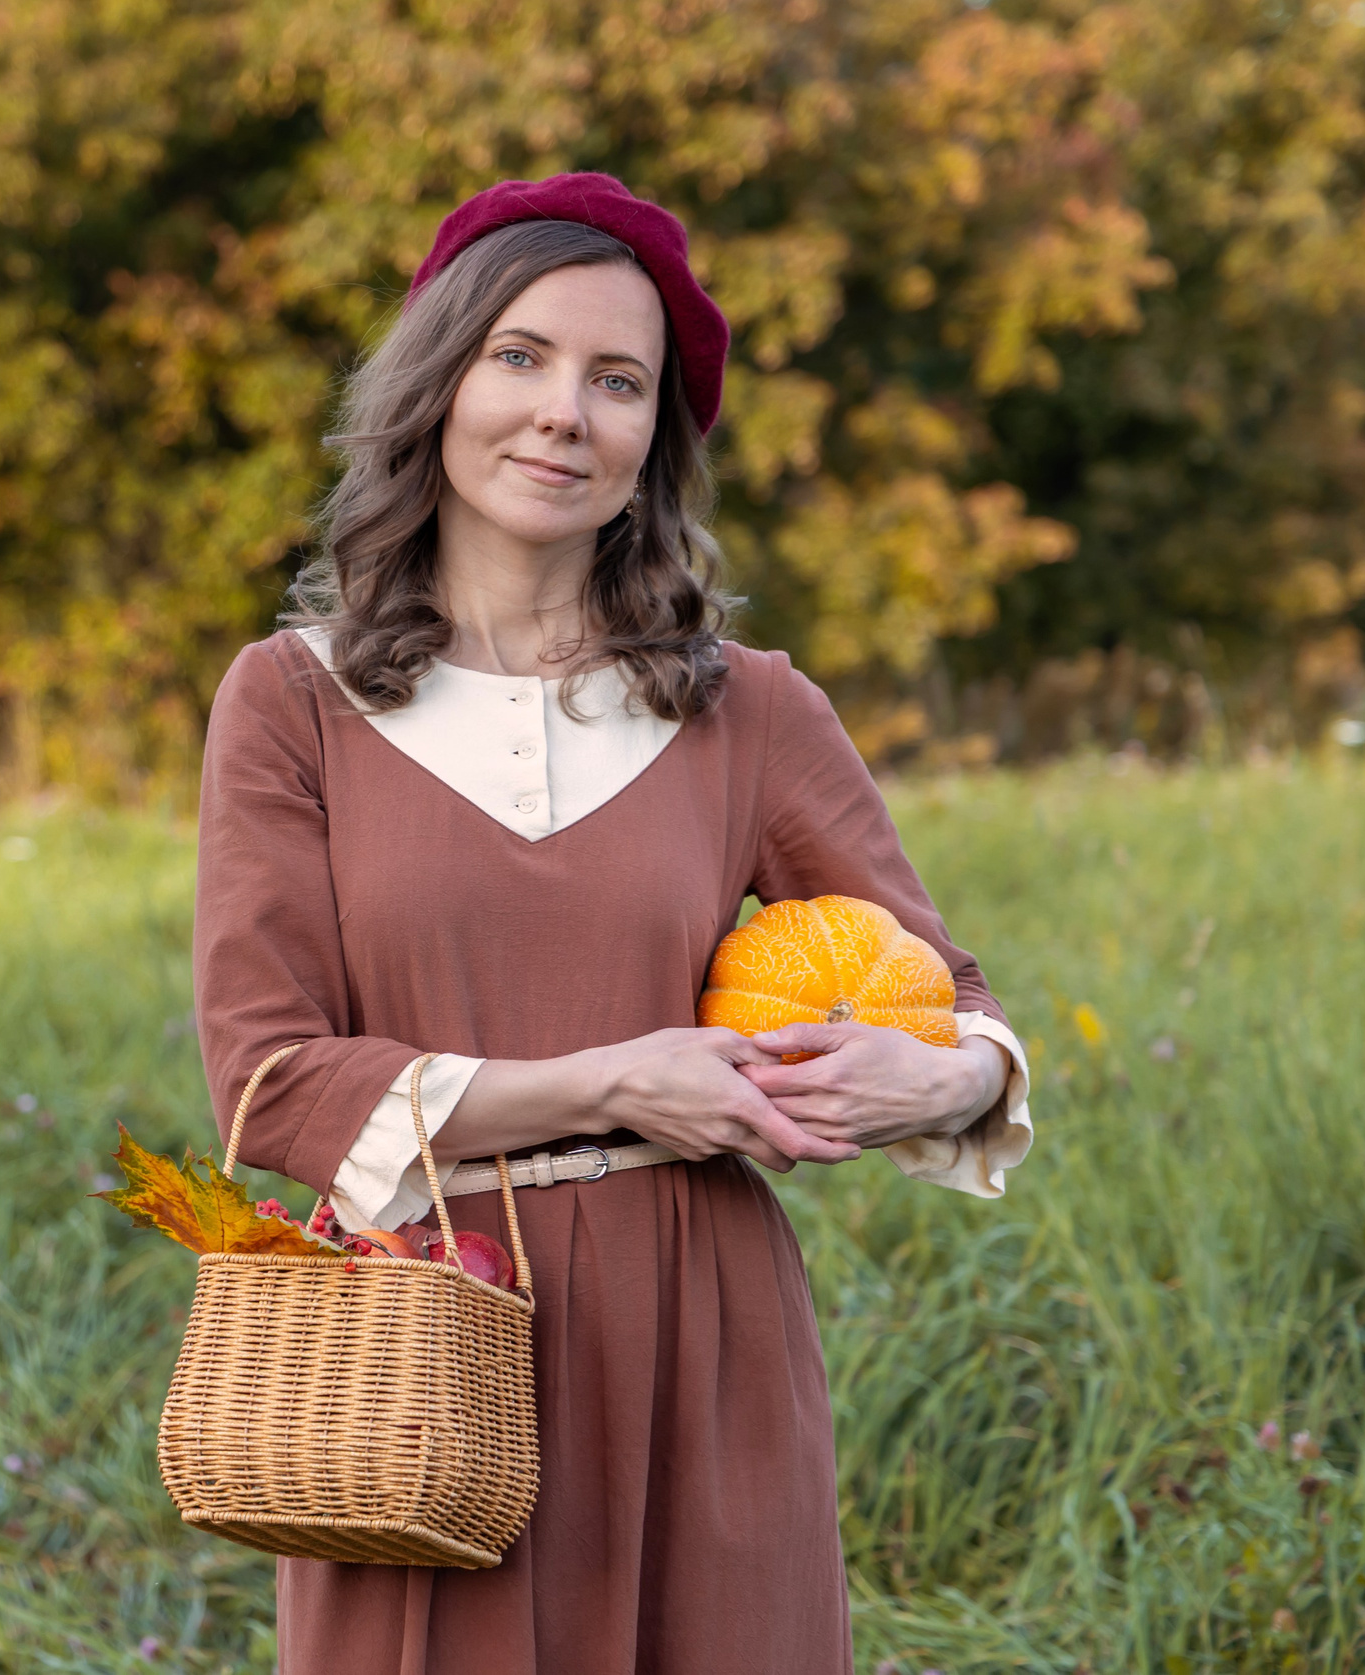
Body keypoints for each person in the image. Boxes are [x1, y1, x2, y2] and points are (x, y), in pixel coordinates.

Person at [190, 173, 1035, 1674]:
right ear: (438, 381)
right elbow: (266, 1081)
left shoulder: (749, 711)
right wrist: (611, 1082)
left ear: (656, 438)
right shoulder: (294, 702)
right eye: (519, 356)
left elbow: (949, 999)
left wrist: (954, 1076)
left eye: (617, 380)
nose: (561, 412)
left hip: (705, 1339)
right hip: (420, 1339)